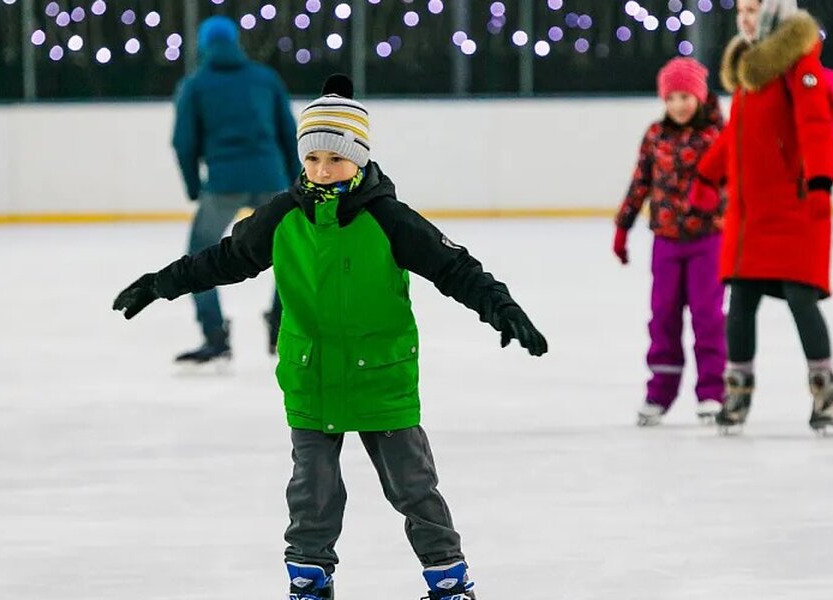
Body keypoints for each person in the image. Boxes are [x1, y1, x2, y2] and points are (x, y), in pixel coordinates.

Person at [114, 75, 548, 600]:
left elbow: (454, 267)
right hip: (312, 375)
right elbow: (225, 259)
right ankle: (309, 580)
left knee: (413, 487)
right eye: (313, 158)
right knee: (312, 493)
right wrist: (162, 283)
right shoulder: (282, 215)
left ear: (359, 158)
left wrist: (501, 307)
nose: (322, 170)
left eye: (336, 159)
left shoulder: (389, 218)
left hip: (379, 375)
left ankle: (449, 581)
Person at [691, 0, 833, 434]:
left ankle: (826, 396)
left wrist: (820, 184)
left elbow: (815, 124)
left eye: (754, 9)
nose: (745, 18)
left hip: (793, 206)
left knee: (801, 299)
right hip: (749, 215)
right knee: (740, 301)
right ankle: (736, 396)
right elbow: (737, 134)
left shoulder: (798, 64)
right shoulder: (750, 67)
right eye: (741, 10)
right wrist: (707, 174)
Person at [171, 15, 299, 366]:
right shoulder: (265, 78)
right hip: (270, 180)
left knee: (199, 258)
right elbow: (288, 133)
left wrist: (194, 187)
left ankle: (215, 338)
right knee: (291, 253)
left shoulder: (195, 85)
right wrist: (296, 184)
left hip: (224, 184)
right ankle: (281, 324)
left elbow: (183, 142)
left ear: (202, 46)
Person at [612, 57, 727, 427]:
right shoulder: (655, 136)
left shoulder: (716, 136)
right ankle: (659, 391)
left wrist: (721, 205)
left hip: (708, 241)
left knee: (708, 318)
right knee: (663, 316)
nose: (679, 105)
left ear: (700, 96)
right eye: (671, 97)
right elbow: (640, 183)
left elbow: (737, 184)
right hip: (666, 242)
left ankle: (712, 392)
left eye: (685, 96)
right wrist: (623, 227)